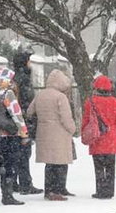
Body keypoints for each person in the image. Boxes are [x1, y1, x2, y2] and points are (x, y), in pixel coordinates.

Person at [26, 69, 78, 201]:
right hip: (59, 132)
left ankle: (49, 190)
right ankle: (58, 189)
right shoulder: (60, 97)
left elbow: (29, 111)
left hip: (43, 132)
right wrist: (73, 129)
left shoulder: (40, 94)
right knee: (60, 161)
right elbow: (66, 118)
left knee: (49, 163)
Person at [0, 68, 30, 205]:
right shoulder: (8, 94)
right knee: (9, 165)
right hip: (9, 135)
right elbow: (16, 115)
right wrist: (23, 133)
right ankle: (7, 195)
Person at [82, 75, 116, 198]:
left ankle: (100, 190)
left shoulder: (90, 101)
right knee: (111, 167)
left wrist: (84, 134)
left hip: (97, 137)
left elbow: (86, 120)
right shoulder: (114, 101)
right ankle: (110, 191)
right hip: (112, 137)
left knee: (99, 167)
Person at [12, 50, 42, 195]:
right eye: (29, 60)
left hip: (18, 119)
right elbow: (26, 100)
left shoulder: (15, 77)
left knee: (19, 153)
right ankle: (25, 183)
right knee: (24, 153)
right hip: (23, 120)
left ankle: (15, 182)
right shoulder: (23, 79)